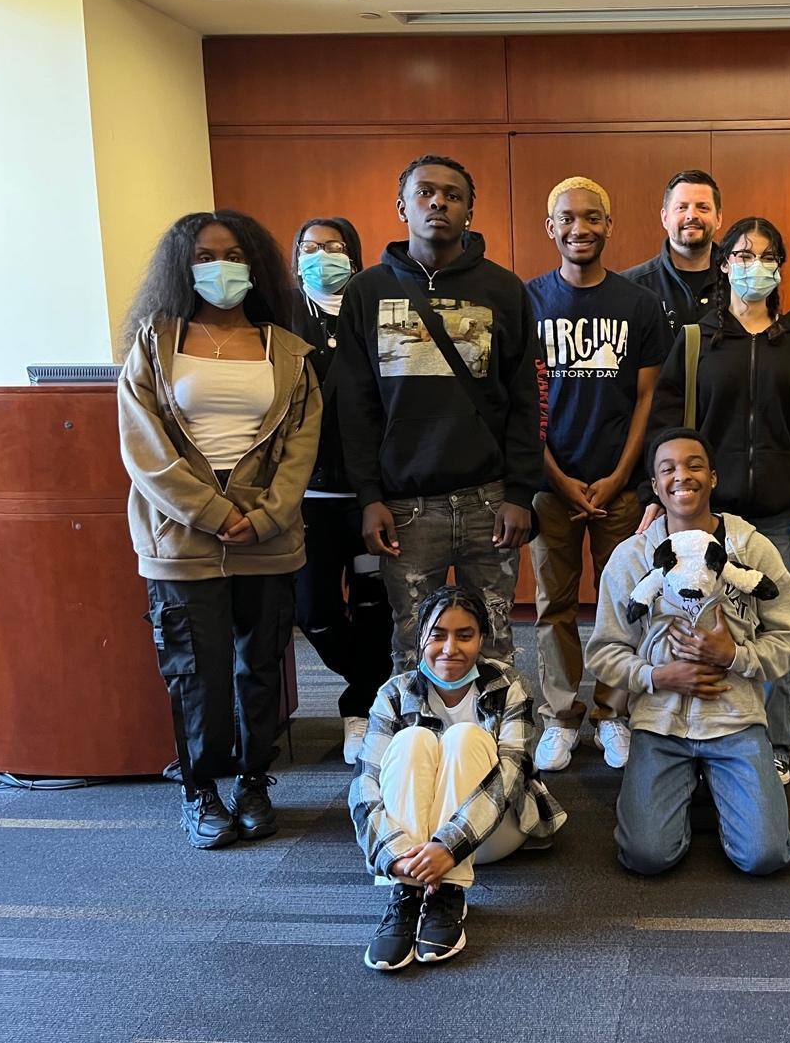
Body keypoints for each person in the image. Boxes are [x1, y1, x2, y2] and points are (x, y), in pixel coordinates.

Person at [118, 209, 321, 849]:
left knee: (260, 666)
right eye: (205, 256)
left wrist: (262, 516)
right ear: (184, 267)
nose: (221, 268)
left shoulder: (287, 350)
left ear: (255, 265)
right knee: (193, 670)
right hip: (181, 539)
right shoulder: (155, 344)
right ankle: (200, 790)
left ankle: (254, 782)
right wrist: (212, 512)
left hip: (268, 538)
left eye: (233, 255)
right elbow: (142, 447)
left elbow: (299, 449)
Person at [644, 217, 790, 785]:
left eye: (768, 255)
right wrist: (653, 495)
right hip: (707, 518)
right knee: (702, 626)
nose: (756, 265)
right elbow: (666, 428)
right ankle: (699, 739)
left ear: (780, 267)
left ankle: (774, 744)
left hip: (780, 519)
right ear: (724, 263)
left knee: (774, 636)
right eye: (743, 254)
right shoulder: (696, 338)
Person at [334, 154, 542, 673]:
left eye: (453, 195)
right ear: (402, 205)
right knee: (413, 644)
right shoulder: (367, 291)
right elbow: (356, 406)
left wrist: (520, 494)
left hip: (488, 501)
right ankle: (418, 746)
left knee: (491, 643)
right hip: (404, 507)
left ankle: (493, 745)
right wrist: (369, 497)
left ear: (470, 210)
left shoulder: (504, 289)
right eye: (426, 192)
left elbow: (525, 399)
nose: (438, 202)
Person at [586, 429, 790, 876]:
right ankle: (693, 793)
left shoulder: (753, 550)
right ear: (657, 484)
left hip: (734, 719)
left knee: (764, 857)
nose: (682, 476)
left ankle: (716, 789)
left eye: (694, 465)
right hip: (659, 722)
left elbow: (789, 639)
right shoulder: (631, 558)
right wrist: (657, 677)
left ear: (714, 477)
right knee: (646, 857)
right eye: (668, 469)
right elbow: (604, 651)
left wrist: (734, 656)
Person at [526, 176, 670, 773]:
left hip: (620, 486)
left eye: (592, 217)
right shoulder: (527, 301)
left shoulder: (638, 304)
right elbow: (522, 402)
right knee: (551, 605)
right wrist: (557, 478)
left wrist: (618, 477)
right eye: (567, 218)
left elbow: (646, 402)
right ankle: (560, 718)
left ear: (609, 226)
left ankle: (614, 714)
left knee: (625, 607)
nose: (579, 228)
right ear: (550, 227)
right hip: (548, 485)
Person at [349, 586, 566, 972]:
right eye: (438, 635)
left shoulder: (508, 685)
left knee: (464, 738)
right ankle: (409, 893)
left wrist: (448, 846)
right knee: (413, 739)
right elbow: (365, 785)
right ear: (421, 639)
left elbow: (510, 778)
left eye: (464, 635)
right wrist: (394, 856)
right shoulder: (395, 692)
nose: (450, 648)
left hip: (491, 833)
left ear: (482, 638)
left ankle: (448, 891)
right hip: (412, 846)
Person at [287, 216, 394, 764]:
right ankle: (375, 686)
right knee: (315, 609)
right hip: (306, 497)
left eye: (333, 247)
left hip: (370, 492)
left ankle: (361, 709)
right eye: (310, 247)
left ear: (353, 255)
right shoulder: (281, 320)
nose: (321, 256)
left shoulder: (373, 311)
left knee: (376, 602)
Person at [622, 170, 722, 333]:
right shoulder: (631, 286)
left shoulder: (739, 283)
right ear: (665, 217)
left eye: (703, 208)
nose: (692, 215)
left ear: (718, 218)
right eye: (681, 207)